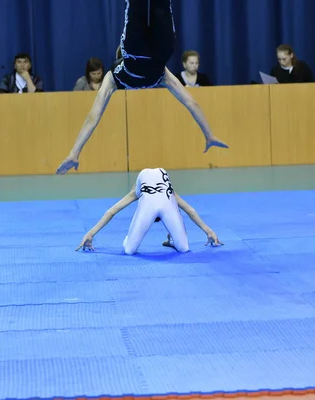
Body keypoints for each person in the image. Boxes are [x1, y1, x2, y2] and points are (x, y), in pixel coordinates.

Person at [57, 0, 228, 175]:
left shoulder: (122, 78)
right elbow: (191, 103)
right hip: (137, 50)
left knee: (160, 5)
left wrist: (75, 152)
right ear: (120, 56)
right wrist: (208, 134)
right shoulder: (160, 76)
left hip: (161, 50)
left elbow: (93, 117)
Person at [76, 167, 223, 254]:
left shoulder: (141, 192)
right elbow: (190, 210)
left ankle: (135, 237)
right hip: (158, 177)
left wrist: (91, 233)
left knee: (130, 250)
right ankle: (171, 237)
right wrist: (208, 230)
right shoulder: (168, 195)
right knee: (183, 249)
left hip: (156, 176)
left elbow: (112, 211)